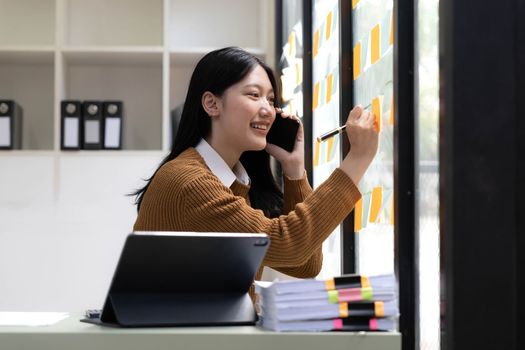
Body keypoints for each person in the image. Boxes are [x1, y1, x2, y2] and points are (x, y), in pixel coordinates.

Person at [132, 47, 378, 296]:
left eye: (271, 100)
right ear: (211, 104)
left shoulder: (234, 181)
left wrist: (294, 171)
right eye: (254, 95)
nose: (269, 110)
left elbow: (306, 264)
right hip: (179, 335)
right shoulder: (191, 182)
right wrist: (357, 159)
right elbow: (289, 244)